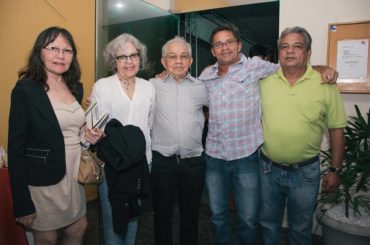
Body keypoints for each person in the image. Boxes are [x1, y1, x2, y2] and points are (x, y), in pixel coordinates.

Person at [198, 25, 337, 245]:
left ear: (239, 45)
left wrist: (320, 68)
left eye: (229, 42)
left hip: (247, 158)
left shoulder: (256, 67)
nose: (224, 47)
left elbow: (290, 65)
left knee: (249, 218)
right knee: (217, 217)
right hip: (215, 157)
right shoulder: (205, 76)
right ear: (213, 51)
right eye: (218, 44)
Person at [8, 26, 102, 244]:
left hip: (73, 177)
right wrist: (22, 202)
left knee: (78, 228)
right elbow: (16, 149)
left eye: (67, 50)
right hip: (42, 182)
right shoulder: (26, 90)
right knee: (47, 238)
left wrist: (88, 139)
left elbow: (71, 133)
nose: (60, 55)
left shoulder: (75, 88)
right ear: (40, 52)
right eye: (53, 48)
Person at [259, 26, 347, 245]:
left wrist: (335, 170)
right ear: (278, 52)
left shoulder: (325, 84)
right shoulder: (263, 80)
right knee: (268, 225)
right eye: (284, 47)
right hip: (267, 170)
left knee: (300, 229)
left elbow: (337, 129)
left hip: (305, 173)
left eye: (297, 46)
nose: (290, 52)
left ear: (308, 53)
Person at [91, 33, 155, 245]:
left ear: (140, 57)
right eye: (122, 57)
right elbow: (91, 125)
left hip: (139, 163)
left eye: (133, 55)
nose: (129, 61)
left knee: (134, 215)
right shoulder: (102, 86)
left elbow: (149, 123)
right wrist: (93, 134)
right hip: (113, 165)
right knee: (113, 220)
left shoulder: (148, 87)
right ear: (113, 61)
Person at [150, 36, 208, 245]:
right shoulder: (151, 86)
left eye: (184, 56)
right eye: (172, 57)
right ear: (164, 62)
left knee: (191, 216)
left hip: (193, 162)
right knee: (161, 216)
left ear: (191, 61)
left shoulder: (202, 87)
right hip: (162, 162)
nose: (178, 61)